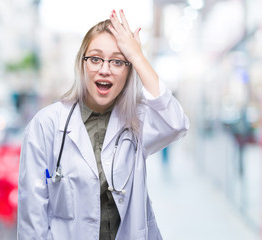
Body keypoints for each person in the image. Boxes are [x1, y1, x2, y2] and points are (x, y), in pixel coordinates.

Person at [17, 9, 189, 240]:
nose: (105, 69)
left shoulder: (137, 120)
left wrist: (138, 56)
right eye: (96, 59)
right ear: (82, 64)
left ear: (128, 71)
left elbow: (176, 123)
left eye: (118, 61)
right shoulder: (46, 125)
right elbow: (32, 219)